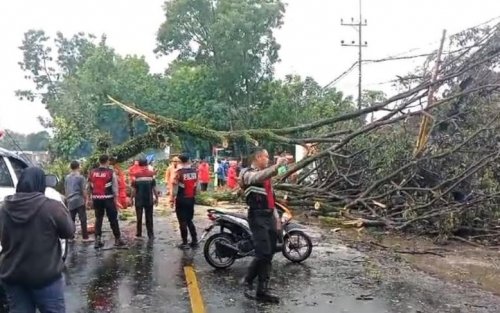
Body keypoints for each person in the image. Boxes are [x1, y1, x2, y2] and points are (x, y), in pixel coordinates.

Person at [0, 167, 75, 313]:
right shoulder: (52, 207)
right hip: (45, 277)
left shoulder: (4, 209)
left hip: (13, 276)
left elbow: (3, 239)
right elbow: (69, 232)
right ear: (42, 183)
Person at [238, 148, 287, 303]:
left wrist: (277, 218)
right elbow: (258, 177)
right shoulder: (247, 173)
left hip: (269, 215)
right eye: (266, 156)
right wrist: (277, 166)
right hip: (257, 216)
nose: (268, 159)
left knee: (269, 252)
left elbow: (271, 197)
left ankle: (251, 280)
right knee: (264, 252)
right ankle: (261, 290)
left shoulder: (267, 176)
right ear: (258, 157)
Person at [88, 154, 126, 249]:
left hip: (96, 198)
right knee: (113, 219)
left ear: (99, 161)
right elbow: (115, 188)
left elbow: (88, 186)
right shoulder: (110, 172)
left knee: (98, 219)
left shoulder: (92, 172)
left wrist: (89, 199)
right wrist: (116, 201)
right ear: (107, 161)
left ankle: (97, 240)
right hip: (108, 199)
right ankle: (118, 239)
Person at [174, 154, 198, 249]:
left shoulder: (179, 173)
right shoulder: (195, 172)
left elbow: (175, 189)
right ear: (188, 160)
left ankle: (184, 243)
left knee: (182, 221)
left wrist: (172, 198)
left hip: (181, 199)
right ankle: (194, 240)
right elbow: (198, 188)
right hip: (191, 199)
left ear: (180, 161)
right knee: (189, 220)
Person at [131, 158, 158, 240]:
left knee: (139, 217)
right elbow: (154, 189)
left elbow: (134, 190)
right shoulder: (151, 175)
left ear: (138, 164)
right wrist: (156, 198)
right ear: (147, 164)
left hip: (139, 200)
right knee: (149, 217)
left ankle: (139, 233)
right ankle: (151, 234)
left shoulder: (136, 175)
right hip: (149, 200)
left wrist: (131, 198)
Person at [65, 160, 91, 242]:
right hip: (79, 200)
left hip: (70, 200)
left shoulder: (67, 177)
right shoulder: (81, 177)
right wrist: (87, 199)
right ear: (78, 167)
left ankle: (71, 237)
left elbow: (66, 189)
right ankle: (85, 237)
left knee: (71, 219)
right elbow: (83, 190)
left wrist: (67, 199)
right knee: (83, 219)